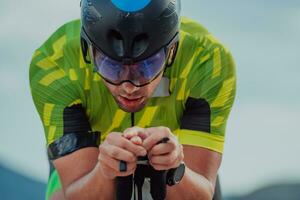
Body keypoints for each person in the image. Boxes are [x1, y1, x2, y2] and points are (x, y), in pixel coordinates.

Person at [29, 0, 236, 199]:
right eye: (111, 65)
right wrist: (104, 172)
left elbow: (199, 194)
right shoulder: (55, 63)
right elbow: (77, 192)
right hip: (90, 164)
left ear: (172, 51)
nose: (128, 86)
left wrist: (175, 166)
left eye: (147, 67)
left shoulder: (207, 61)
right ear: (87, 50)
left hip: (179, 158)